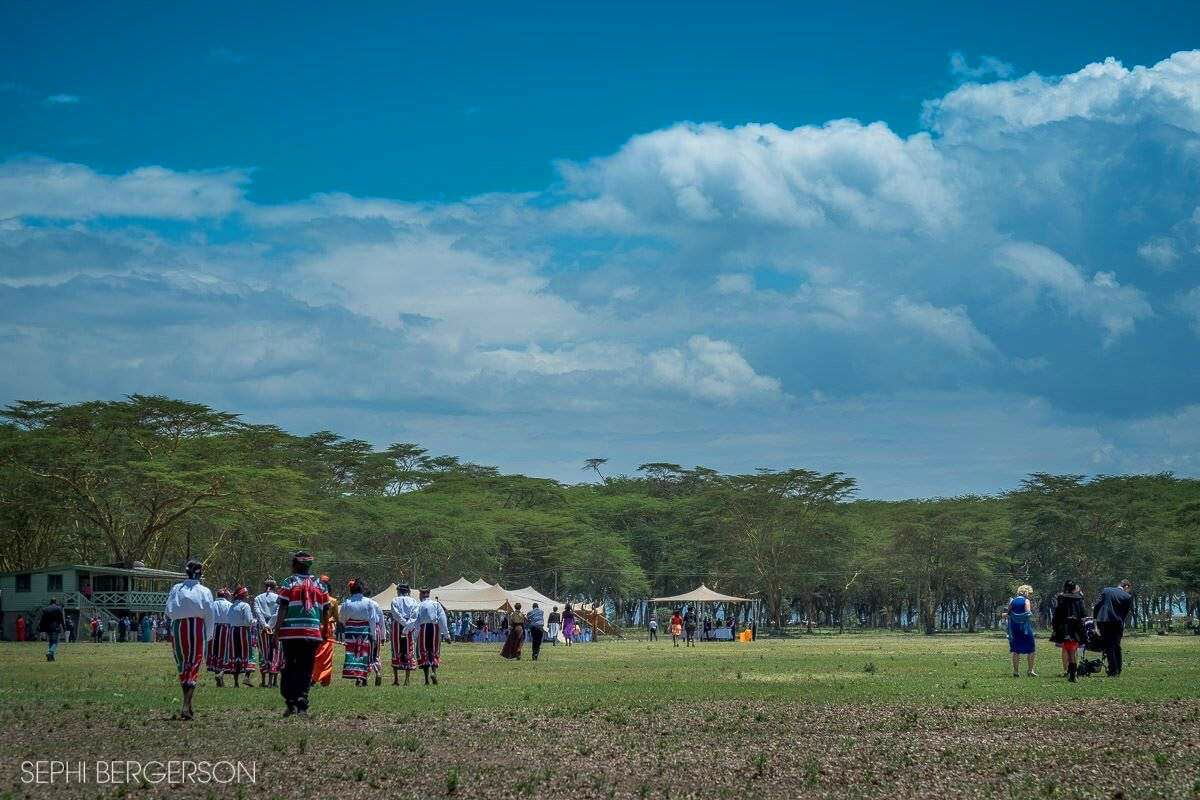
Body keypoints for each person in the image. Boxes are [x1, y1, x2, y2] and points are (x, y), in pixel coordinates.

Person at [274, 550, 330, 717]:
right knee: (306, 668)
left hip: (290, 633)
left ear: (296, 565)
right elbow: (325, 611)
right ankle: (302, 703)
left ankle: (291, 701)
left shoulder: (289, 583)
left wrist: (276, 631)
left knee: (290, 666)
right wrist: (325, 631)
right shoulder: (320, 585)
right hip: (312, 633)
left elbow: (283, 608)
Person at [165, 559, 215, 720]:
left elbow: (168, 610)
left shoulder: (176, 588)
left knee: (183, 664)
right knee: (193, 664)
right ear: (200, 574)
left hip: (178, 627)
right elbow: (209, 613)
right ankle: (186, 706)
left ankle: (188, 705)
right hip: (196, 627)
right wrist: (209, 634)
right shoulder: (205, 590)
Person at [1094, 579, 1134, 677]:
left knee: (1108, 646)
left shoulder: (1106, 590)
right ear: (1126, 586)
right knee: (1116, 645)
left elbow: (1098, 606)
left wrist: (1095, 619)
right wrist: (1122, 621)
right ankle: (1118, 669)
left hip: (1105, 621)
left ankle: (1113, 670)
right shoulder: (1127, 596)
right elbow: (1125, 612)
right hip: (1118, 622)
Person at [339, 579, 375, 686]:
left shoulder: (347, 602)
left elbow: (342, 618)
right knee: (363, 653)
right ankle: (362, 677)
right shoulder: (368, 602)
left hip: (351, 631)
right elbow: (372, 619)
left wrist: (348, 625)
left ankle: (356, 675)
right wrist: (373, 634)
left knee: (352, 653)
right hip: (364, 631)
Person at [1050, 580, 1086, 682]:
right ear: (1074, 588)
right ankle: (1073, 673)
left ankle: (1072, 673)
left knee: (1069, 651)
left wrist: (1055, 627)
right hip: (1076, 627)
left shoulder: (1061, 598)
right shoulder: (1079, 599)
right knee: (1072, 650)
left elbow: (1057, 614)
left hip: (1065, 628)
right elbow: (1083, 613)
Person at [413, 588, 449, 685]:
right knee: (434, 651)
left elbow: (416, 621)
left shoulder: (419, 605)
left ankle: (426, 679)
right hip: (434, 628)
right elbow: (442, 619)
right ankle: (433, 673)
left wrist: (415, 636)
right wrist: (446, 635)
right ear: (428, 594)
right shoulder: (436, 604)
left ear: (421, 594)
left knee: (423, 652)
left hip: (423, 628)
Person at [253, 579, 282, 688]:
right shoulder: (278, 598)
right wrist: (270, 625)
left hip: (262, 629)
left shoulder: (257, 598)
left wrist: (265, 625)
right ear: (275, 587)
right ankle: (273, 681)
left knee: (264, 653)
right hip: (275, 628)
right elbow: (278, 612)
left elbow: (258, 612)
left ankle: (264, 681)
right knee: (275, 652)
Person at [389, 584, 418, 685]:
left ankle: (396, 679)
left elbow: (396, 614)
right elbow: (414, 615)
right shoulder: (413, 601)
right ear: (408, 591)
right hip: (409, 627)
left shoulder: (394, 600)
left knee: (396, 649)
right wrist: (407, 625)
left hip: (397, 626)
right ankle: (407, 680)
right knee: (409, 650)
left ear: (398, 591)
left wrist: (403, 624)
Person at [226, 587, 255, 687]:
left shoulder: (232, 606)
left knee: (235, 655)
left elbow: (228, 618)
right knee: (247, 654)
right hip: (243, 631)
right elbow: (248, 621)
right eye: (246, 595)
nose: (247, 597)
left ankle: (236, 682)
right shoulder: (245, 606)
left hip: (233, 631)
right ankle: (246, 677)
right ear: (243, 596)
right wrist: (251, 622)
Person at [311, 574, 336, 688]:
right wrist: (330, 619)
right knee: (326, 656)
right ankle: (324, 680)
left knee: (314, 654)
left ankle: (313, 676)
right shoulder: (333, 601)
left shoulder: (312, 598)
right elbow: (336, 617)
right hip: (327, 629)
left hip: (314, 627)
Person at [1007, 584, 1037, 677]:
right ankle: (1030, 670)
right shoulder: (1026, 600)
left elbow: (1009, 612)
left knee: (1016, 650)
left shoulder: (1012, 601)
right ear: (1027, 593)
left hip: (1014, 627)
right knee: (1031, 648)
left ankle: (1016, 671)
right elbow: (1027, 612)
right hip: (1024, 627)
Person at [38, 597, 65, 662]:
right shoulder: (58, 609)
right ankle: (50, 652)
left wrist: (41, 628)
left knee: (50, 641)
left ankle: (51, 657)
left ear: (50, 602)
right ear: (55, 602)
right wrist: (64, 627)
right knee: (55, 642)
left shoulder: (45, 609)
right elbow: (61, 619)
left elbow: (42, 620)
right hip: (56, 627)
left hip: (48, 628)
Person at [366, 592, 385, 686]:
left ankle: (363, 679)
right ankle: (377, 672)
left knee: (365, 655)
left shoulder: (364, 604)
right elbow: (382, 621)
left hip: (366, 630)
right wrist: (383, 636)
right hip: (377, 630)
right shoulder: (376, 604)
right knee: (375, 655)